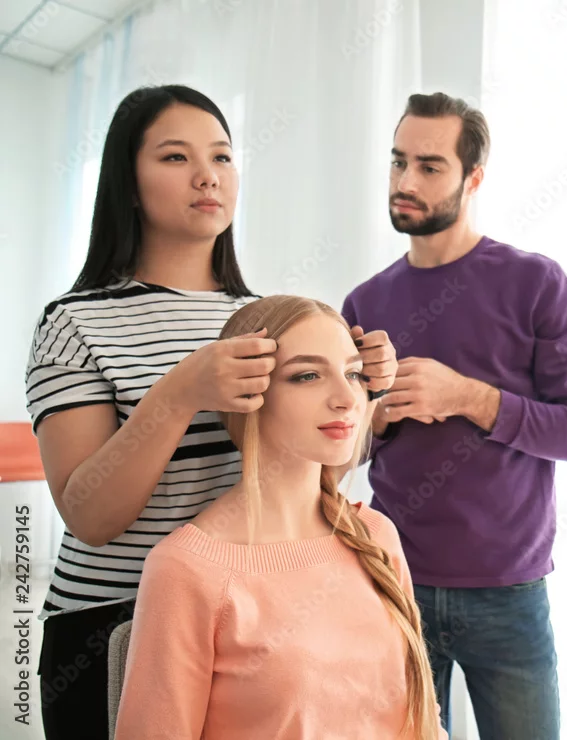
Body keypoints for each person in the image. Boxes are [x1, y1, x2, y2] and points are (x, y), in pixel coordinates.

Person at [25, 85, 396, 740]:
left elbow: (313, 470)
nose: (208, 175)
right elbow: (90, 516)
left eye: (222, 156)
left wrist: (364, 394)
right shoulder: (75, 323)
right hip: (111, 624)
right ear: (127, 184)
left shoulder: (267, 317)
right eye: (176, 157)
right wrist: (178, 394)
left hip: (252, 609)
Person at [341, 92, 567, 739]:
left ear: (474, 177)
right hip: (393, 582)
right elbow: (339, 452)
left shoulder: (536, 283)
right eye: (398, 161)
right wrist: (374, 418)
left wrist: (467, 396)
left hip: (510, 594)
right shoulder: (363, 303)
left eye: (430, 166)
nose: (405, 181)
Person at [114, 296, 446, 740]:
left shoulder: (376, 535)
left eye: (352, 374)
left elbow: (421, 721)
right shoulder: (187, 570)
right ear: (246, 396)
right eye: (307, 376)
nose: (346, 399)